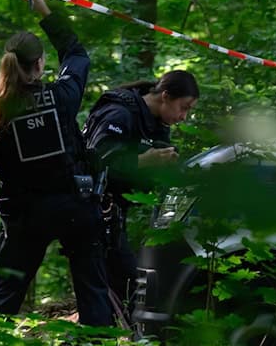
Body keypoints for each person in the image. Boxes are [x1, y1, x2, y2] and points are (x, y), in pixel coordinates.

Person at [0, 0, 112, 327]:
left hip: (23, 216)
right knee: (92, 291)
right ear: (41, 63)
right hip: (75, 205)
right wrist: (46, 12)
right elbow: (76, 54)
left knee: (5, 298)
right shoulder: (62, 96)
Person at [81, 70, 200, 309]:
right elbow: (95, 160)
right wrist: (143, 161)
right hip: (90, 211)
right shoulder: (120, 114)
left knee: (114, 284)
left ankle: (102, 336)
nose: (184, 116)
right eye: (183, 107)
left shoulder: (157, 124)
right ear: (165, 96)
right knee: (125, 283)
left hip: (116, 213)